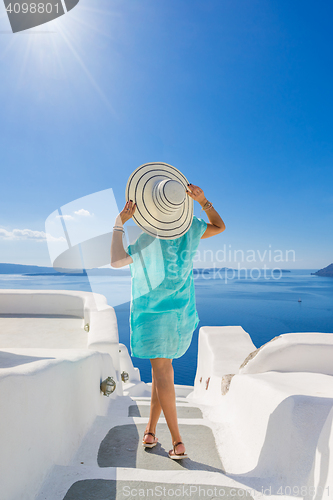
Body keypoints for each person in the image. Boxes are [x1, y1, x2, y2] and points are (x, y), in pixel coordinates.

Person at [111, 163, 225, 459]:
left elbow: (116, 261)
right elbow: (219, 226)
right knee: (162, 374)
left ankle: (177, 441)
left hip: (154, 316)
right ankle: (150, 431)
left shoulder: (146, 240)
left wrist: (119, 223)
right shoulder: (193, 229)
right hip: (180, 316)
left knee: (163, 375)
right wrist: (203, 201)